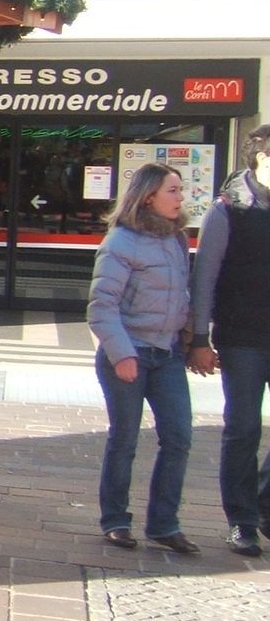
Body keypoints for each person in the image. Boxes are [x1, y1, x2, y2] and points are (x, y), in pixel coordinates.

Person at [87, 162, 197, 554]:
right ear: (149, 195)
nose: (181, 197)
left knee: (180, 436)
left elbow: (183, 295)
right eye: (173, 190)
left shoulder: (176, 239)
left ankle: (164, 524)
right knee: (125, 439)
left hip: (166, 354)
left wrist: (195, 340)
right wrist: (121, 354)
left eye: (181, 190)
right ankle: (115, 520)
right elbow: (102, 306)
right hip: (129, 353)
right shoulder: (120, 242)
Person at [189, 124, 270, 557]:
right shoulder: (228, 210)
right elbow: (205, 277)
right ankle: (243, 521)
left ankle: (264, 505)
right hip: (242, 338)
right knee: (243, 428)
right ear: (258, 158)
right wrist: (200, 336)